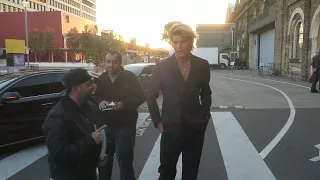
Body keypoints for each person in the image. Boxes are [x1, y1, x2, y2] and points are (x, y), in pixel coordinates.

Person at [147, 23, 212, 180]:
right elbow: (150, 96)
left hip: (195, 128)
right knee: (166, 173)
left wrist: (205, 116)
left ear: (191, 42)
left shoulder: (202, 65)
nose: (179, 46)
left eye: (182, 41)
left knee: (191, 173)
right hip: (170, 128)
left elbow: (206, 93)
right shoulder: (161, 66)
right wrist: (158, 122)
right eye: (175, 42)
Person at [42, 68, 105, 180]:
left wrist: (97, 158)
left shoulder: (87, 107)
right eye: (89, 84)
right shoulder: (58, 116)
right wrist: (91, 140)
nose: (94, 86)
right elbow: (59, 154)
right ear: (75, 89)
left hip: (87, 173)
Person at [95, 50, 145, 180]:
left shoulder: (130, 77)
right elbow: (97, 95)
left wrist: (124, 104)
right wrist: (100, 101)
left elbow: (140, 97)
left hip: (125, 126)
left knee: (124, 162)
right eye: (108, 61)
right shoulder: (102, 78)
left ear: (120, 63)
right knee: (104, 163)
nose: (110, 65)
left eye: (114, 62)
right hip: (106, 127)